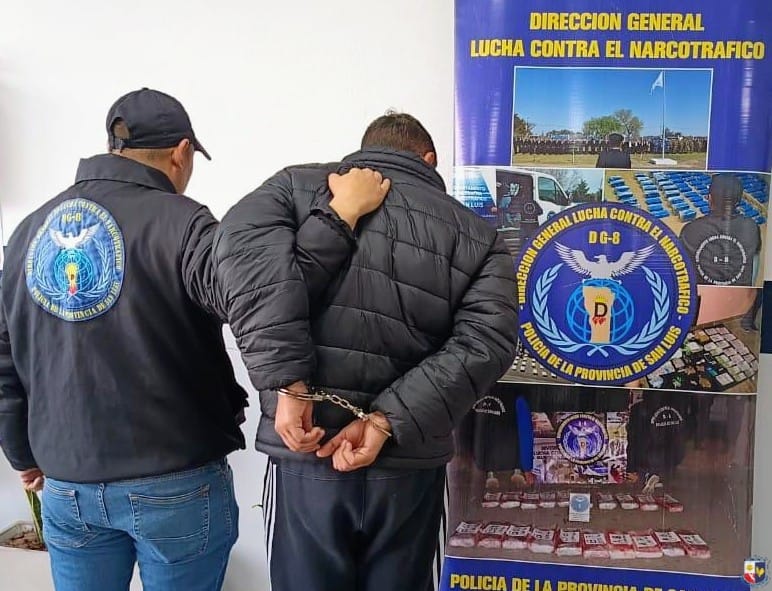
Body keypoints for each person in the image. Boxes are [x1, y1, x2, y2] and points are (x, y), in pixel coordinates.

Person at [0, 88, 388, 591]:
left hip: (66, 484)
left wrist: (22, 453)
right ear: (181, 152)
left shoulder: (28, 233)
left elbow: (4, 362)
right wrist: (339, 218)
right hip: (173, 481)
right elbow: (263, 296)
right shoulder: (182, 222)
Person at [213, 112, 519, 591]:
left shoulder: (292, 188)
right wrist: (385, 421)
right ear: (429, 159)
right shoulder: (479, 237)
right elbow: (487, 342)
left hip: (305, 450)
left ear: (363, 151)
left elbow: (238, 271)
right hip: (408, 460)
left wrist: (289, 384)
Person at [680, 174, 761, 286]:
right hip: (739, 295)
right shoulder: (751, 227)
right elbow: (754, 263)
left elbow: (681, 271)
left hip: (702, 295)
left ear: (709, 198)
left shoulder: (690, 230)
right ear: (738, 201)